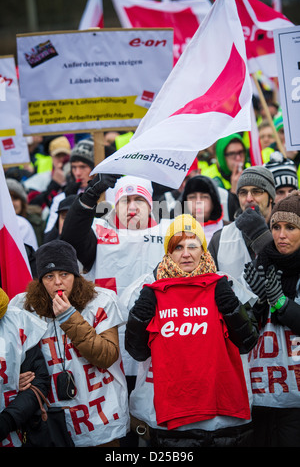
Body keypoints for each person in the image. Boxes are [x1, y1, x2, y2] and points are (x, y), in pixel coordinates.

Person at [125, 214, 258, 447]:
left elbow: (248, 341)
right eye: (177, 247)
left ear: (203, 249)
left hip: (224, 419)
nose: (186, 253)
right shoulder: (151, 291)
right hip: (177, 422)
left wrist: (231, 308)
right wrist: (140, 315)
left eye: (192, 245)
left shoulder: (225, 284)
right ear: (168, 252)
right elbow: (137, 351)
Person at [61, 174, 172, 446]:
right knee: (124, 432)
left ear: (151, 206)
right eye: (124, 200)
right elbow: (71, 236)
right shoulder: (98, 235)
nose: (132, 207)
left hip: (159, 350)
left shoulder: (170, 235)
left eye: (138, 200)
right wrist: (90, 196)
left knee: (159, 425)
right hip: (110, 351)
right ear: (114, 206)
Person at [10, 240, 129, 447]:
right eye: (49, 276)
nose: (58, 282)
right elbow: (10, 356)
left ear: (76, 275)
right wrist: (14, 379)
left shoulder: (101, 300)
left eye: (64, 274)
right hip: (51, 420)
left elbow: (107, 355)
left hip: (99, 417)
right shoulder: (23, 306)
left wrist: (69, 318)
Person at [243, 190, 300, 447]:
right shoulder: (263, 262)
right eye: (275, 226)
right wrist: (257, 303)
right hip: (263, 392)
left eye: (290, 227)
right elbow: (247, 335)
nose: (281, 235)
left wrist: (280, 301)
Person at [208, 166, 276, 285]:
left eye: (257, 191)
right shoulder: (219, 238)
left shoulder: (288, 231)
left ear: (270, 197)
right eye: (243, 193)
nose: (249, 199)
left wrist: (261, 235)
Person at [0, 287, 50, 447]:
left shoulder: (16, 320)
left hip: (13, 432)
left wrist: (6, 421)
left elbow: (38, 381)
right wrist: (7, 384)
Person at [43, 137, 95, 235]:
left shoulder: (108, 192)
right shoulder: (61, 198)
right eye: (74, 167)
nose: (78, 173)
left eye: (83, 167)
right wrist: (68, 201)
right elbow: (48, 237)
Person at [177, 175, 227, 244]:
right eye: (192, 197)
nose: (198, 202)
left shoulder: (229, 230)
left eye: (204, 197)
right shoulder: (174, 230)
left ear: (214, 202)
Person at [6, 178, 40, 250]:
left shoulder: (38, 224)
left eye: (15, 198)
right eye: (7, 199)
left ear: (22, 202)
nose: (11, 204)